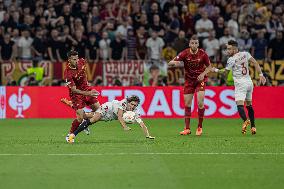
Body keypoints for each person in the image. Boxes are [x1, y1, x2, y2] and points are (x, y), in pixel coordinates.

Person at [212, 40, 266, 135]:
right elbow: (255, 63)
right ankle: (253, 127)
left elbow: (225, 72)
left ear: (235, 49)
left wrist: (215, 69)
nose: (227, 51)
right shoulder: (245, 54)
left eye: (229, 49)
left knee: (240, 105)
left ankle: (246, 121)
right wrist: (261, 75)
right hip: (249, 82)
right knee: (249, 105)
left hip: (240, 84)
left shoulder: (231, 59)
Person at [168, 35, 212, 136]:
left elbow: (209, 67)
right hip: (189, 81)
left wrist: (202, 74)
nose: (194, 45)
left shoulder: (203, 54)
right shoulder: (185, 53)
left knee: (200, 103)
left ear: (198, 44)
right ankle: (187, 129)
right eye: (192, 43)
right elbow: (170, 63)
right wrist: (176, 63)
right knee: (187, 104)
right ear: (189, 44)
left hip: (200, 80)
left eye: (196, 43)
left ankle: (199, 127)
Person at [67, 95, 155, 143]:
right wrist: (124, 126)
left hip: (111, 116)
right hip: (108, 107)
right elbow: (120, 116)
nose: (132, 106)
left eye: (135, 105)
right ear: (128, 102)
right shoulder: (124, 103)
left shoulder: (135, 111)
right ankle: (73, 135)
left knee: (85, 116)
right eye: (131, 104)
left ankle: (73, 106)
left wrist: (147, 135)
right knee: (94, 119)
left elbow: (141, 124)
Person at [63, 50, 100, 142]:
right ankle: (70, 134)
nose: (76, 61)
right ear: (69, 60)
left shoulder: (82, 61)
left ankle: (84, 121)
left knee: (99, 111)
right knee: (79, 118)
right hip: (76, 95)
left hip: (87, 89)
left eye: (77, 58)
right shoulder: (67, 73)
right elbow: (74, 89)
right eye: (74, 59)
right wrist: (88, 93)